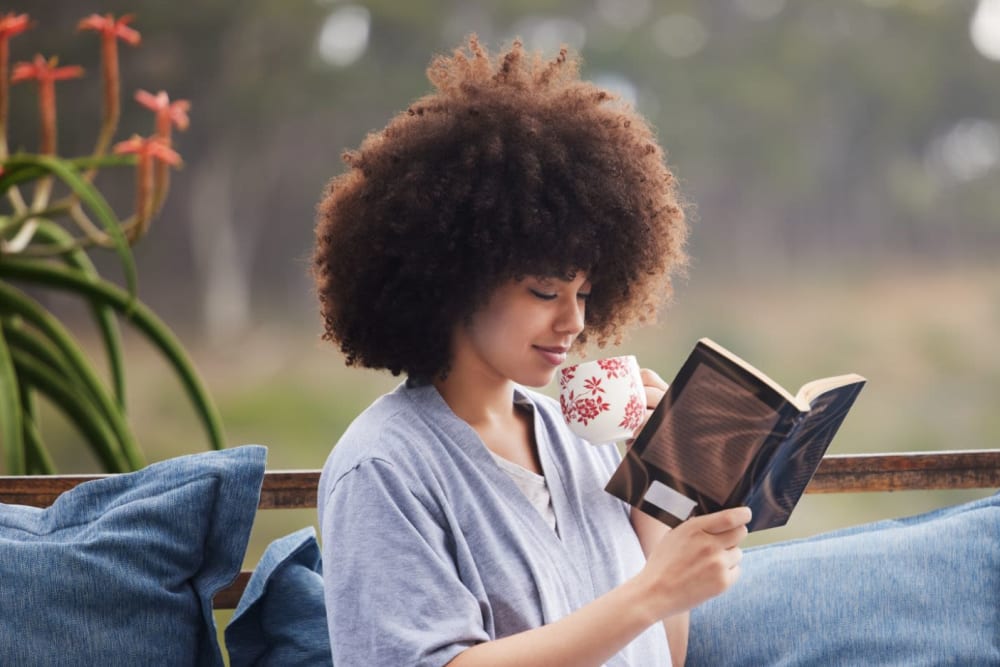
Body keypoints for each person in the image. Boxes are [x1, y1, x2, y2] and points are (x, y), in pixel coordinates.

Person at [313, 35, 751, 667]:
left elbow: (662, 654)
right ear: (456, 276)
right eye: (545, 290)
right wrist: (652, 592)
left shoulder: (583, 438)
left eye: (585, 292)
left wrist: (663, 481)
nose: (574, 320)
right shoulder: (382, 467)